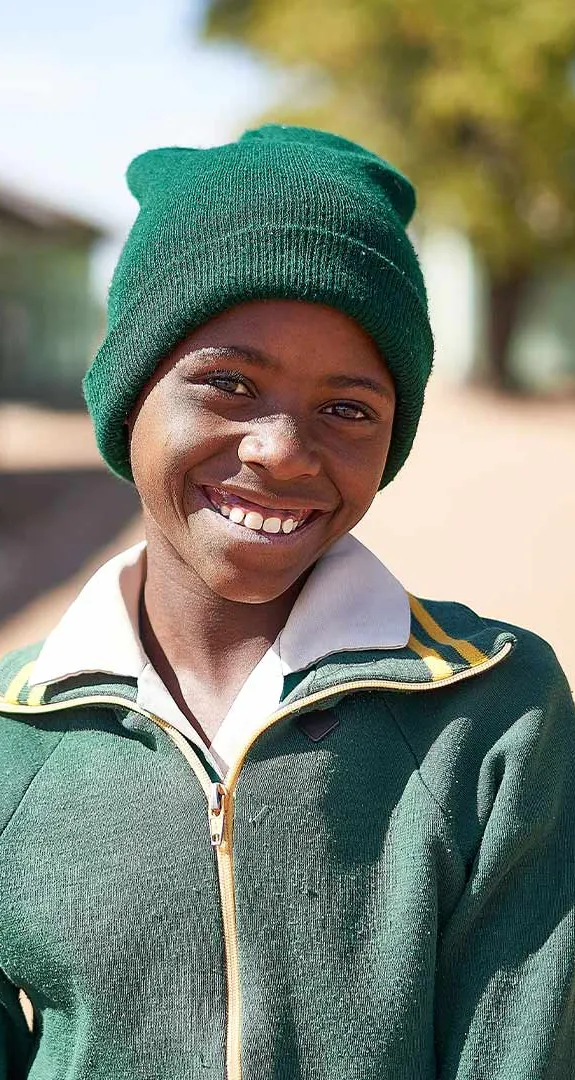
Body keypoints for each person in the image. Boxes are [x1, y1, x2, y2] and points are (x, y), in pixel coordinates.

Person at [0, 125, 573, 1080]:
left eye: (346, 408)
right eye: (228, 384)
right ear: (129, 393)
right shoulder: (15, 738)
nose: (281, 450)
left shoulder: (492, 714)